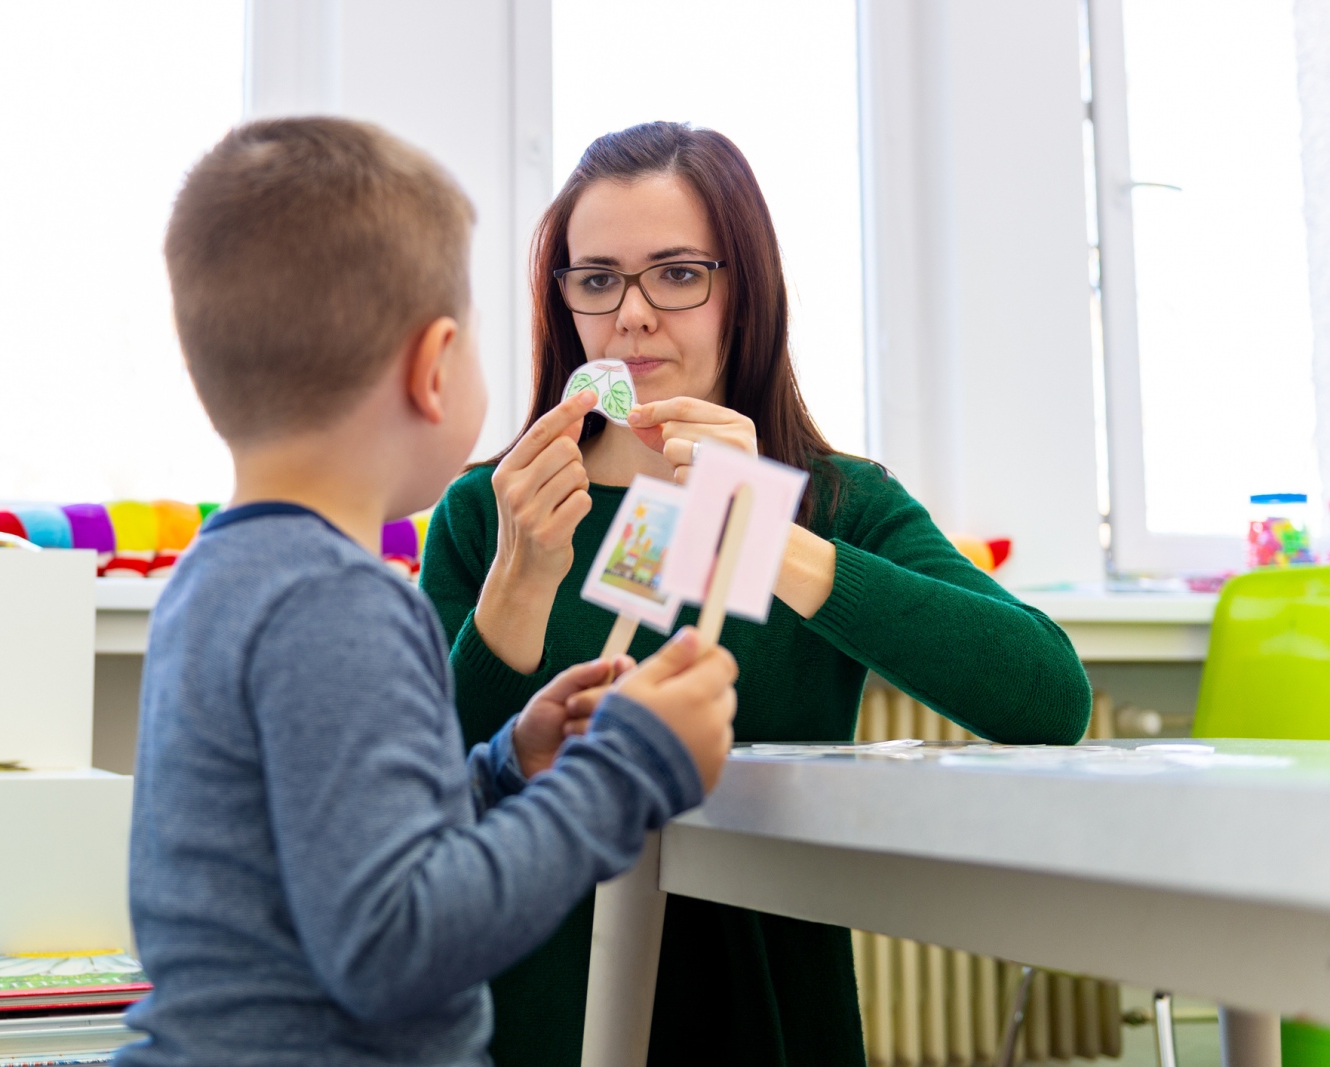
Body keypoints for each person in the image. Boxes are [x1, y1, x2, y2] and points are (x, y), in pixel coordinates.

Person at [421, 121, 1094, 1067]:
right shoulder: (489, 511)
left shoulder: (841, 501)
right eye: (598, 277)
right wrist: (518, 587)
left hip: (767, 1014)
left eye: (679, 273)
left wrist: (781, 543)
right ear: (562, 299)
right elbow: (428, 814)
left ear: (748, 288)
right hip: (534, 1017)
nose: (634, 314)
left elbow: (1048, 698)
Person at [116, 117, 741, 1067]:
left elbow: (337, 848)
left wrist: (502, 765)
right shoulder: (344, 603)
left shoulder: (214, 575)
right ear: (433, 365)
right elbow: (395, 942)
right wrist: (630, 765)